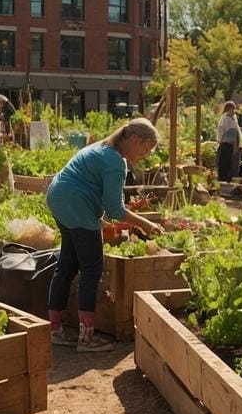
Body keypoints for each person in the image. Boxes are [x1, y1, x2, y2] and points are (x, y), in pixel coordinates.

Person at [46, 118, 164, 352]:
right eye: (146, 149)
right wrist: (146, 224)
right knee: (92, 269)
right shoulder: (115, 161)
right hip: (76, 205)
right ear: (135, 140)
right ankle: (87, 339)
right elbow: (115, 210)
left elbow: (95, 192)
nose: (146, 155)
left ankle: (55, 330)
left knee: (67, 266)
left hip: (58, 199)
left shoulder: (99, 148)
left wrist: (98, 220)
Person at [215, 101, 242, 182]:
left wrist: (219, 140)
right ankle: (225, 181)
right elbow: (221, 130)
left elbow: (222, 130)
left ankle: (225, 182)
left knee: (227, 165)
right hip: (229, 145)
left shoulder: (229, 118)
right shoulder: (229, 119)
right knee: (227, 165)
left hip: (229, 145)